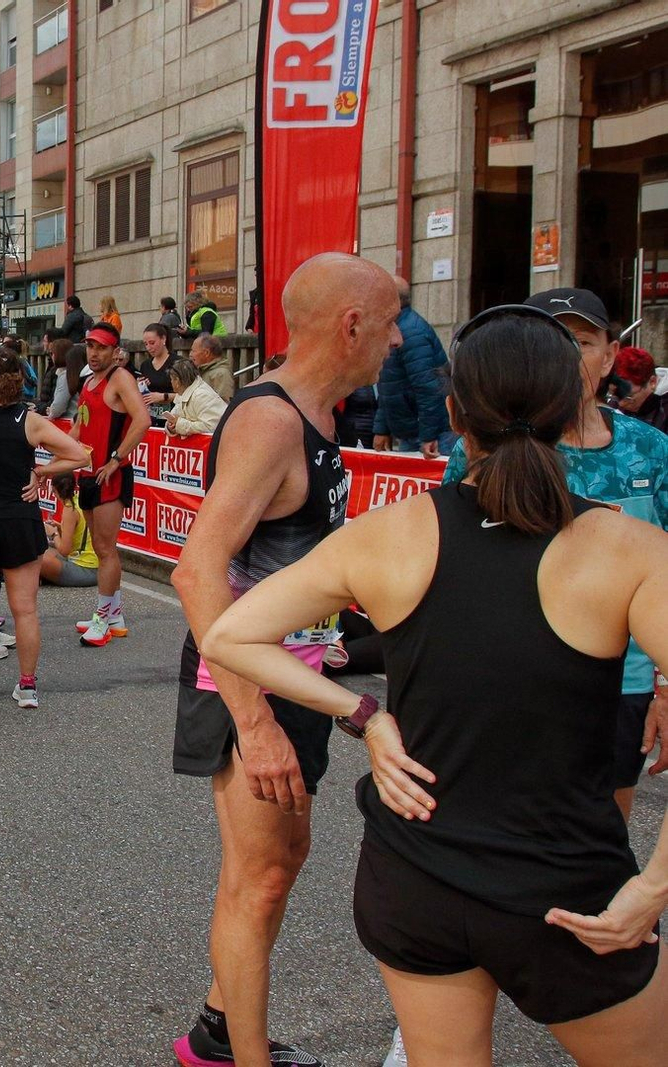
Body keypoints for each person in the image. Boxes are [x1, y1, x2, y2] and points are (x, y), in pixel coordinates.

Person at [201, 304, 668, 1067]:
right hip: (564, 886)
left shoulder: (390, 533)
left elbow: (231, 635)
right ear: (573, 403)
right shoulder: (626, 546)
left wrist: (365, 716)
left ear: (453, 412)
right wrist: (654, 885)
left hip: (415, 878)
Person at [169, 253, 400, 1067]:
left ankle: (217, 1027)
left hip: (295, 666)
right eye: (390, 320)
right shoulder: (270, 420)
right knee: (258, 875)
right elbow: (198, 569)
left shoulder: (323, 411)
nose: (398, 339)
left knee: (283, 859)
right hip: (245, 679)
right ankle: (237, 1055)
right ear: (351, 325)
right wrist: (253, 721)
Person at [442, 288, 668, 823]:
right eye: (553, 341)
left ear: (611, 355)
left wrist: (664, 686)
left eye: (584, 342)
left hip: (624, 680)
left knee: (605, 823)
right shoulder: (483, 445)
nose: (568, 357)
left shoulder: (650, 449)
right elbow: (448, 555)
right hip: (511, 671)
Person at [0, 349, 89, 711]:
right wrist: (41, 473)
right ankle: (27, 688)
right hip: (23, 519)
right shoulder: (32, 421)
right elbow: (81, 455)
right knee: (25, 610)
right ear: (21, 383)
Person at [70, 321, 151, 648]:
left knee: (105, 549)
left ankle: (103, 618)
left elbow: (143, 421)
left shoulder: (121, 379)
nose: (94, 352)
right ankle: (113, 614)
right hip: (89, 474)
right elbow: (79, 427)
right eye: (91, 346)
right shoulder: (89, 382)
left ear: (116, 352)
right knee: (100, 548)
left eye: (101, 347)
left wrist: (116, 459)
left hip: (111, 474)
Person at [372, 274, 452, 458]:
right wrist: (382, 428)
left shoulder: (412, 333)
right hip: (412, 432)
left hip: (428, 436)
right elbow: (388, 384)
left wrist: (428, 436)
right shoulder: (397, 328)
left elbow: (428, 388)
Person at [40, 474, 98, 588]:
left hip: (86, 570)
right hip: (94, 566)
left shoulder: (69, 509)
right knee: (42, 553)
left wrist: (54, 533)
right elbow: (80, 532)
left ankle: (42, 577)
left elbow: (64, 551)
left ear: (55, 491)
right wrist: (60, 527)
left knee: (39, 559)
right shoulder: (78, 501)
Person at [165, 358, 227, 437]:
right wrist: (171, 426)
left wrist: (179, 424)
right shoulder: (182, 393)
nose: (171, 382)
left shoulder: (202, 395)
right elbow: (174, 417)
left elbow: (211, 427)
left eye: (171, 379)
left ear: (177, 381)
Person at [139, 322, 179, 415]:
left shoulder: (178, 363)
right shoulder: (145, 365)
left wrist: (164, 396)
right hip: (151, 417)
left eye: (152, 343)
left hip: (173, 418)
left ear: (163, 339)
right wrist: (140, 386)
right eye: (146, 344)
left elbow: (189, 396)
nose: (149, 348)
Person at [191, 334, 236, 403]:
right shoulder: (202, 371)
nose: (190, 354)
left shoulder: (221, 374)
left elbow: (223, 404)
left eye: (193, 351)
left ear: (206, 353)